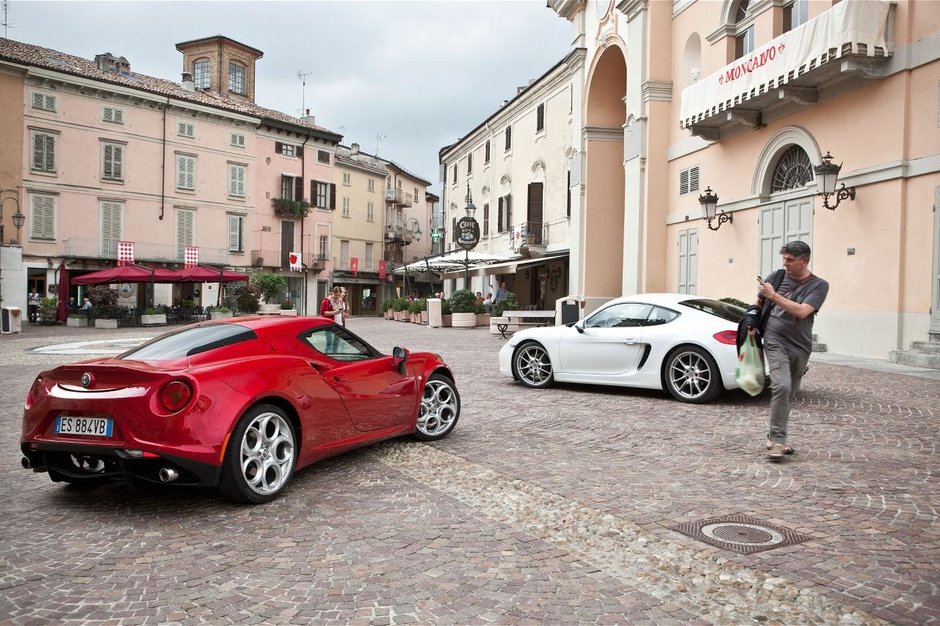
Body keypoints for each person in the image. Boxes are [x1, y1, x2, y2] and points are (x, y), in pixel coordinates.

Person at [750, 241, 829, 461]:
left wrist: (774, 296)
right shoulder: (776, 277)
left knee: (788, 392)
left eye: (790, 259)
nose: (785, 262)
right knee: (781, 386)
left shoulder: (819, 286)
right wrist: (752, 321)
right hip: (774, 339)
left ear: (804, 260)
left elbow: (803, 312)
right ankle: (777, 441)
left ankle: (774, 432)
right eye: (784, 258)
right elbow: (759, 301)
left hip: (800, 346)